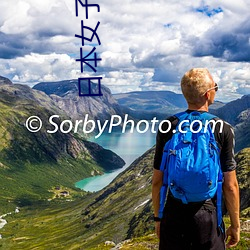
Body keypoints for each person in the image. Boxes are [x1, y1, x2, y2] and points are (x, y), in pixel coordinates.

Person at [152, 68, 240, 250]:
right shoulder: (222, 129)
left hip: (174, 212)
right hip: (207, 215)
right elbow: (230, 185)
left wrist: (158, 218)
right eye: (216, 87)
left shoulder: (168, 125)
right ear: (208, 94)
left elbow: (157, 181)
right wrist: (235, 225)